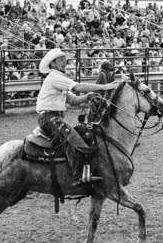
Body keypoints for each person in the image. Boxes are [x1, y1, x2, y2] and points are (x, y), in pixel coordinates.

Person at [36, 47, 118, 184]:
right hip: (49, 118)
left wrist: (87, 96)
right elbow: (78, 87)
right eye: (61, 60)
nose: (64, 62)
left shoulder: (58, 79)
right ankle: (78, 174)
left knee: (81, 134)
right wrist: (104, 87)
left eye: (65, 60)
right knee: (73, 136)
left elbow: (73, 100)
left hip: (53, 117)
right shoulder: (54, 77)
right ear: (53, 63)